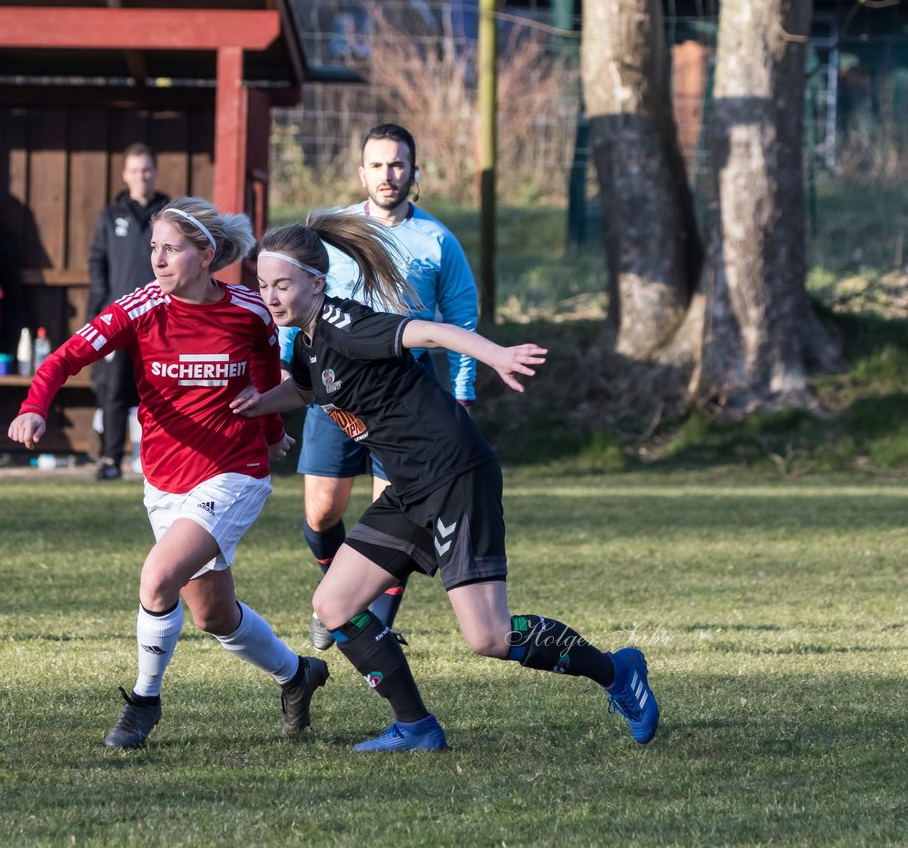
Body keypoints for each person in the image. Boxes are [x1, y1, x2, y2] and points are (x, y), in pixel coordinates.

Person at [232, 212, 660, 751]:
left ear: (316, 283)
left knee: (489, 636)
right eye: (263, 285)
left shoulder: (346, 325)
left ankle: (618, 672)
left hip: (455, 475)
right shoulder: (311, 341)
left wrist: (496, 354)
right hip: (410, 487)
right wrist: (253, 408)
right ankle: (416, 727)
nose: (269, 296)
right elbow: (305, 389)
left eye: (282, 285)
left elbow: (428, 330)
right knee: (333, 606)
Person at [9, 197, 329, 749]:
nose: (157, 260)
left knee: (158, 578)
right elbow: (63, 358)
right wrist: (34, 405)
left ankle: (144, 702)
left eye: (171, 249)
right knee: (213, 614)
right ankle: (297, 674)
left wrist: (274, 435)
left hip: (234, 472)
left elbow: (262, 385)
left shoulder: (250, 311)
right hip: (164, 479)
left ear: (206, 256)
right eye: (153, 248)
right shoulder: (138, 308)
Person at [281, 123, 479, 651]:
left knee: (394, 510)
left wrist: (463, 391)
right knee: (322, 512)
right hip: (333, 387)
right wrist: (285, 366)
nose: (387, 174)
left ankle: (377, 627)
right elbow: (291, 300)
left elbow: (461, 317)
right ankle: (336, 591)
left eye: (397, 164)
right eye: (377, 164)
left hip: (406, 393)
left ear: (414, 172)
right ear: (361, 171)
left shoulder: (437, 239)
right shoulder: (332, 234)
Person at [87, 143, 170, 480]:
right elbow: (97, 264)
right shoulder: (110, 217)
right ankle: (110, 461)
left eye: (146, 169)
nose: (141, 176)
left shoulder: (169, 214)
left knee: (164, 390)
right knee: (114, 391)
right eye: (134, 170)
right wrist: (100, 309)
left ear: (155, 172)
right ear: (125, 174)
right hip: (120, 319)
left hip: (161, 320)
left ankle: (163, 461)